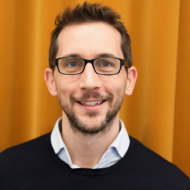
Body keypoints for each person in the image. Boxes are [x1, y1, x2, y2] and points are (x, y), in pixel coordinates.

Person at [0, 2, 189, 189]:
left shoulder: (174, 184)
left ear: (129, 80)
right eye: (72, 64)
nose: (89, 83)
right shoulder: (5, 173)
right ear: (51, 82)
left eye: (106, 64)